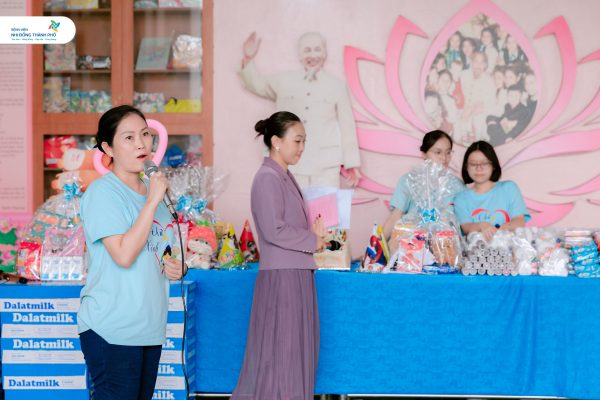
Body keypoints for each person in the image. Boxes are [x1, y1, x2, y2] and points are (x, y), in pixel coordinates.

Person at [77, 105, 186, 400]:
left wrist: (177, 266)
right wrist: (151, 202)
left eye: (145, 134)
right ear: (107, 148)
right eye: (128, 137)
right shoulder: (103, 193)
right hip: (112, 327)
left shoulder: (155, 193)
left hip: (149, 326)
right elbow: (123, 255)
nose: (141, 144)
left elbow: (162, 249)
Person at [231, 111, 326, 400]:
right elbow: (274, 229)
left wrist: (314, 236)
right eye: (297, 140)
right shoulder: (267, 178)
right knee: (283, 351)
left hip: (295, 271)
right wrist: (313, 240)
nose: (301, 147)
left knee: (293, 350)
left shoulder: (282, 175)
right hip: (283, 275)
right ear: (276, 141)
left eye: (304, 141)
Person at [239, 31, 361, 188]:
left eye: (317, 49)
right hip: (291, 162)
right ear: (299, 54)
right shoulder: (284, 80)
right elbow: (257, 85)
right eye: (307, 50)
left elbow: (347, 126)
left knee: (326, 204)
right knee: (291, 202)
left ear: (324, 53)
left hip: (325, 166)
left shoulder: (336, 85)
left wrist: (353, 163)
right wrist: (248, 58)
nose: (313, 55)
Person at [383, 130, 464, 238]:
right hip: (412, 243)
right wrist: (377, 244)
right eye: (438, 152)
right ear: (424, 154)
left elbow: (464, 222)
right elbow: (395, 216)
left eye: (448, 152)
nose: (444, 158)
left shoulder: (457, 185)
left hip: (446, 244)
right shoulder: (409, 180)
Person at [454, 140, 530, 241]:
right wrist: (481, 225)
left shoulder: (509, 188)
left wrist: (497, 232)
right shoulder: (460, 198)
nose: (479, 168)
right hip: (476, 250)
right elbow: (466, 227)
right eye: (473, 164)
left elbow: (519, 221)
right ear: (466, 167)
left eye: (484, 163)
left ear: (493, 165)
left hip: (510, 248)